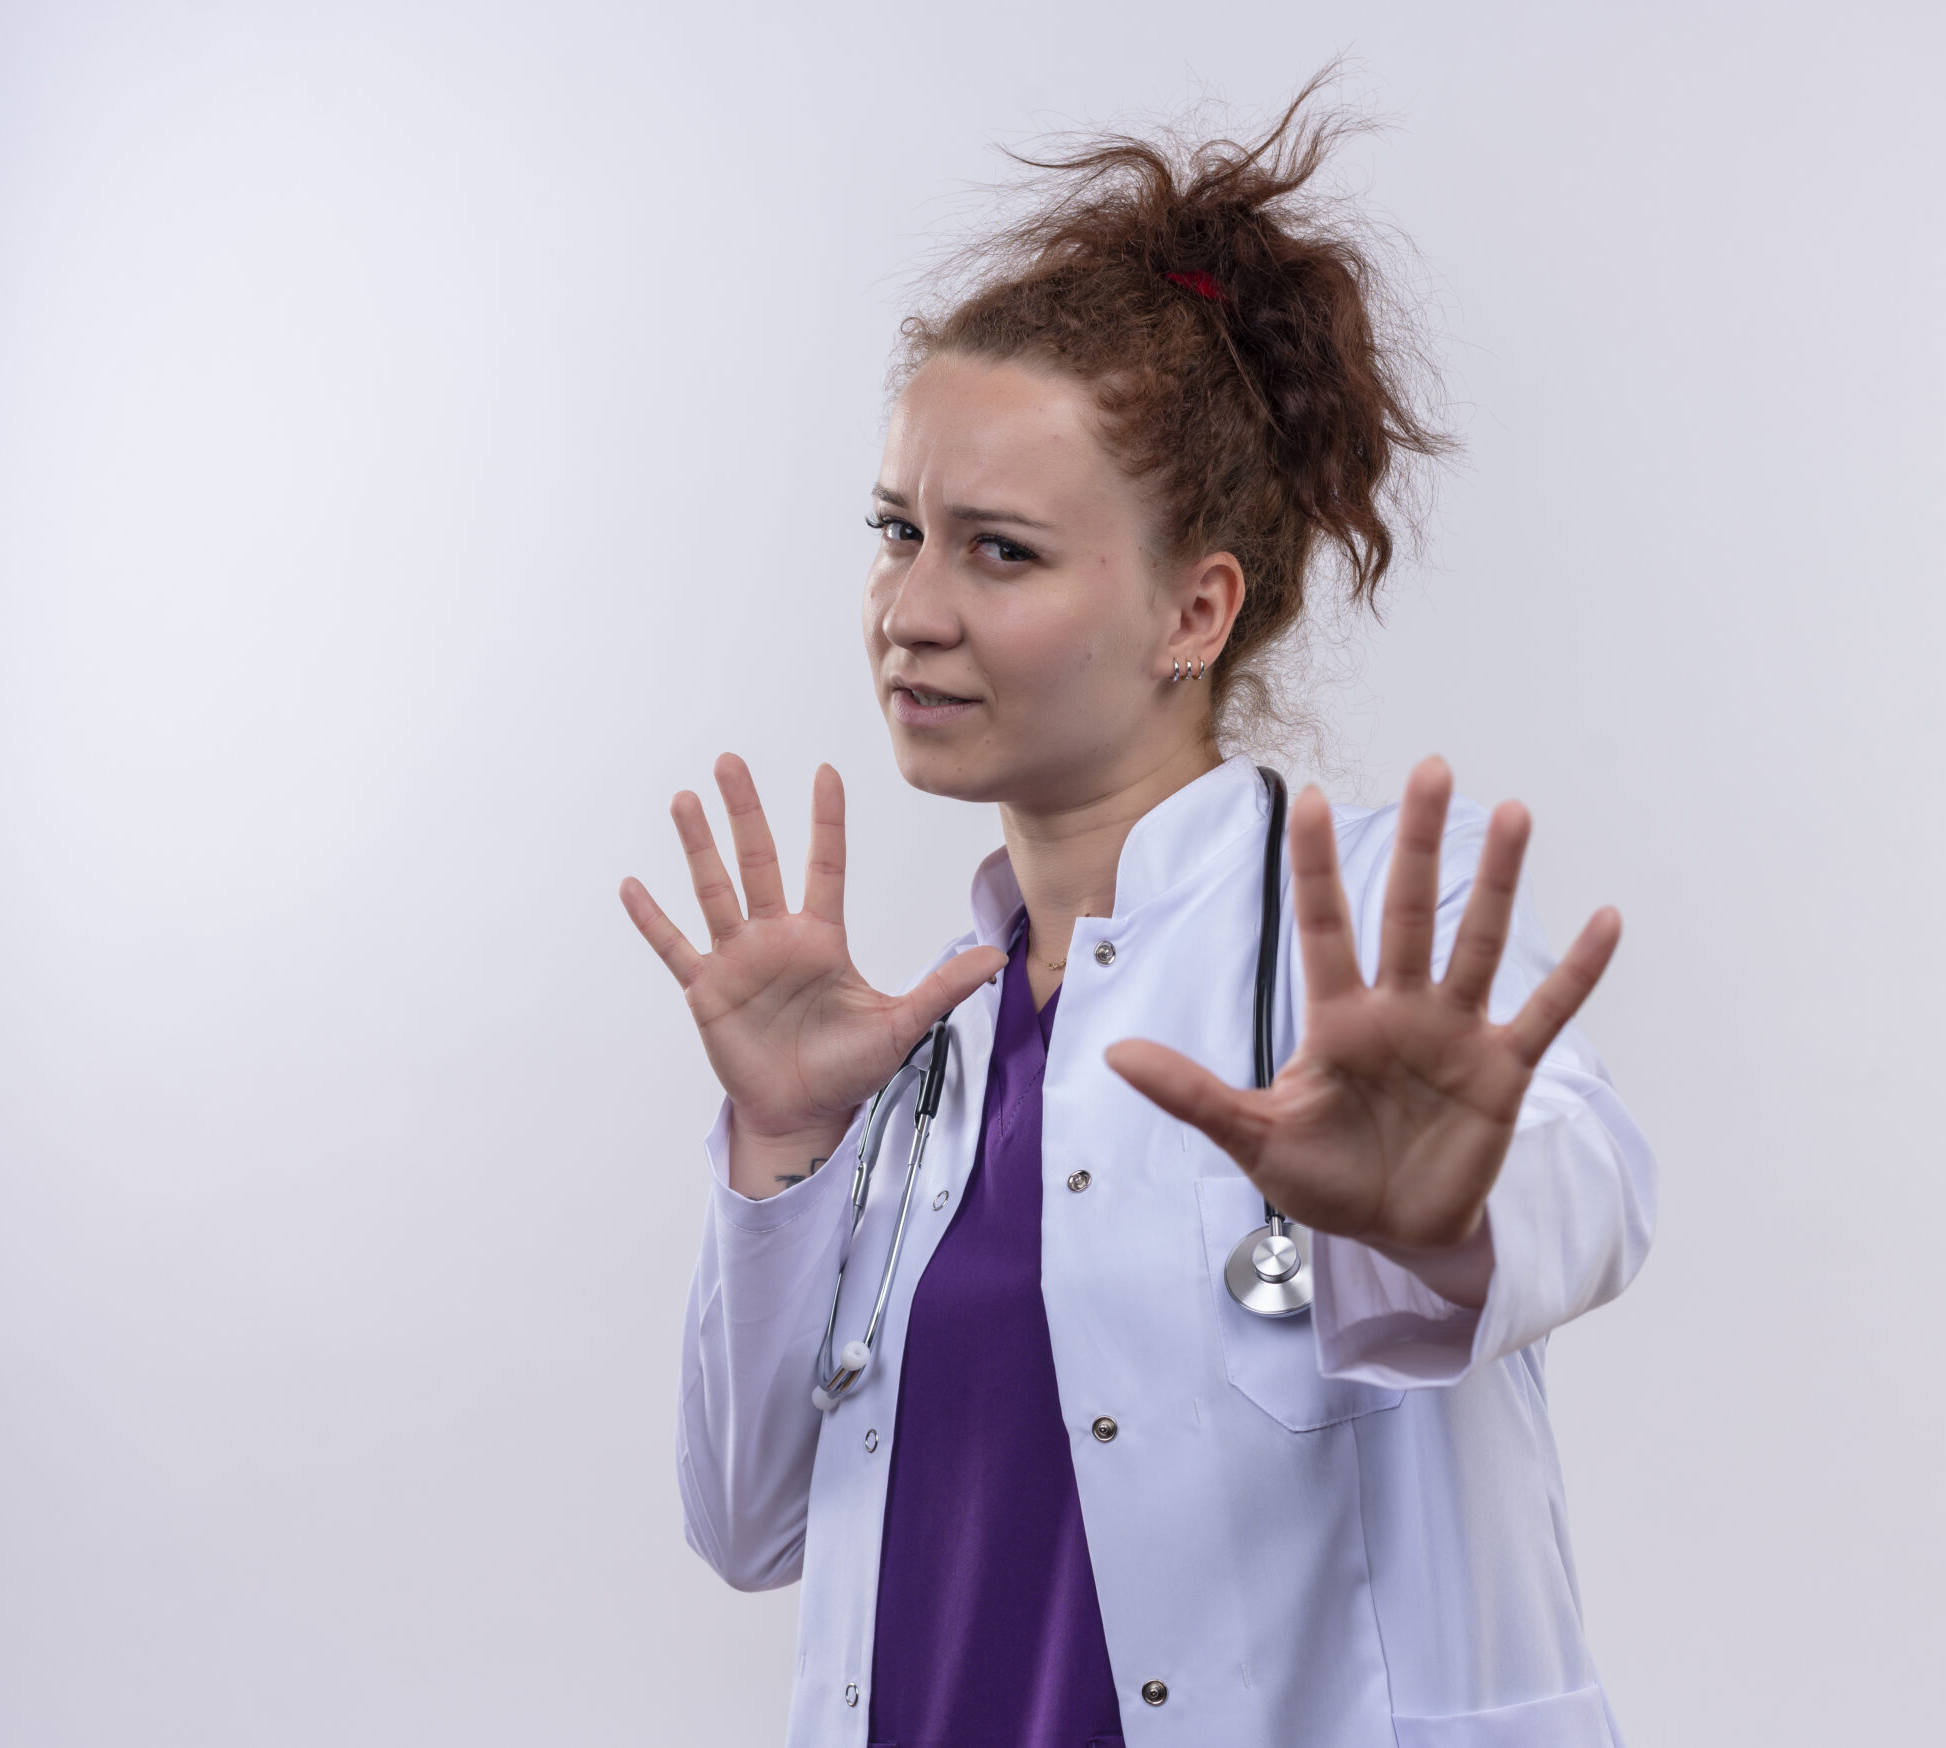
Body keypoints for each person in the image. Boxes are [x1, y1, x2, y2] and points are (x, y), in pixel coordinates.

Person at [619, 85, 1657, 1748]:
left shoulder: (1370, 931)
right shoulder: (920, 1052)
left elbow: (1587, 1185)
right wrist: (784, 1154)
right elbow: (747, 1521)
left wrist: (1436, 1211)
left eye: (1001, 552)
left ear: (1196, 607)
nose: (909, 612)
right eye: (898, 534)